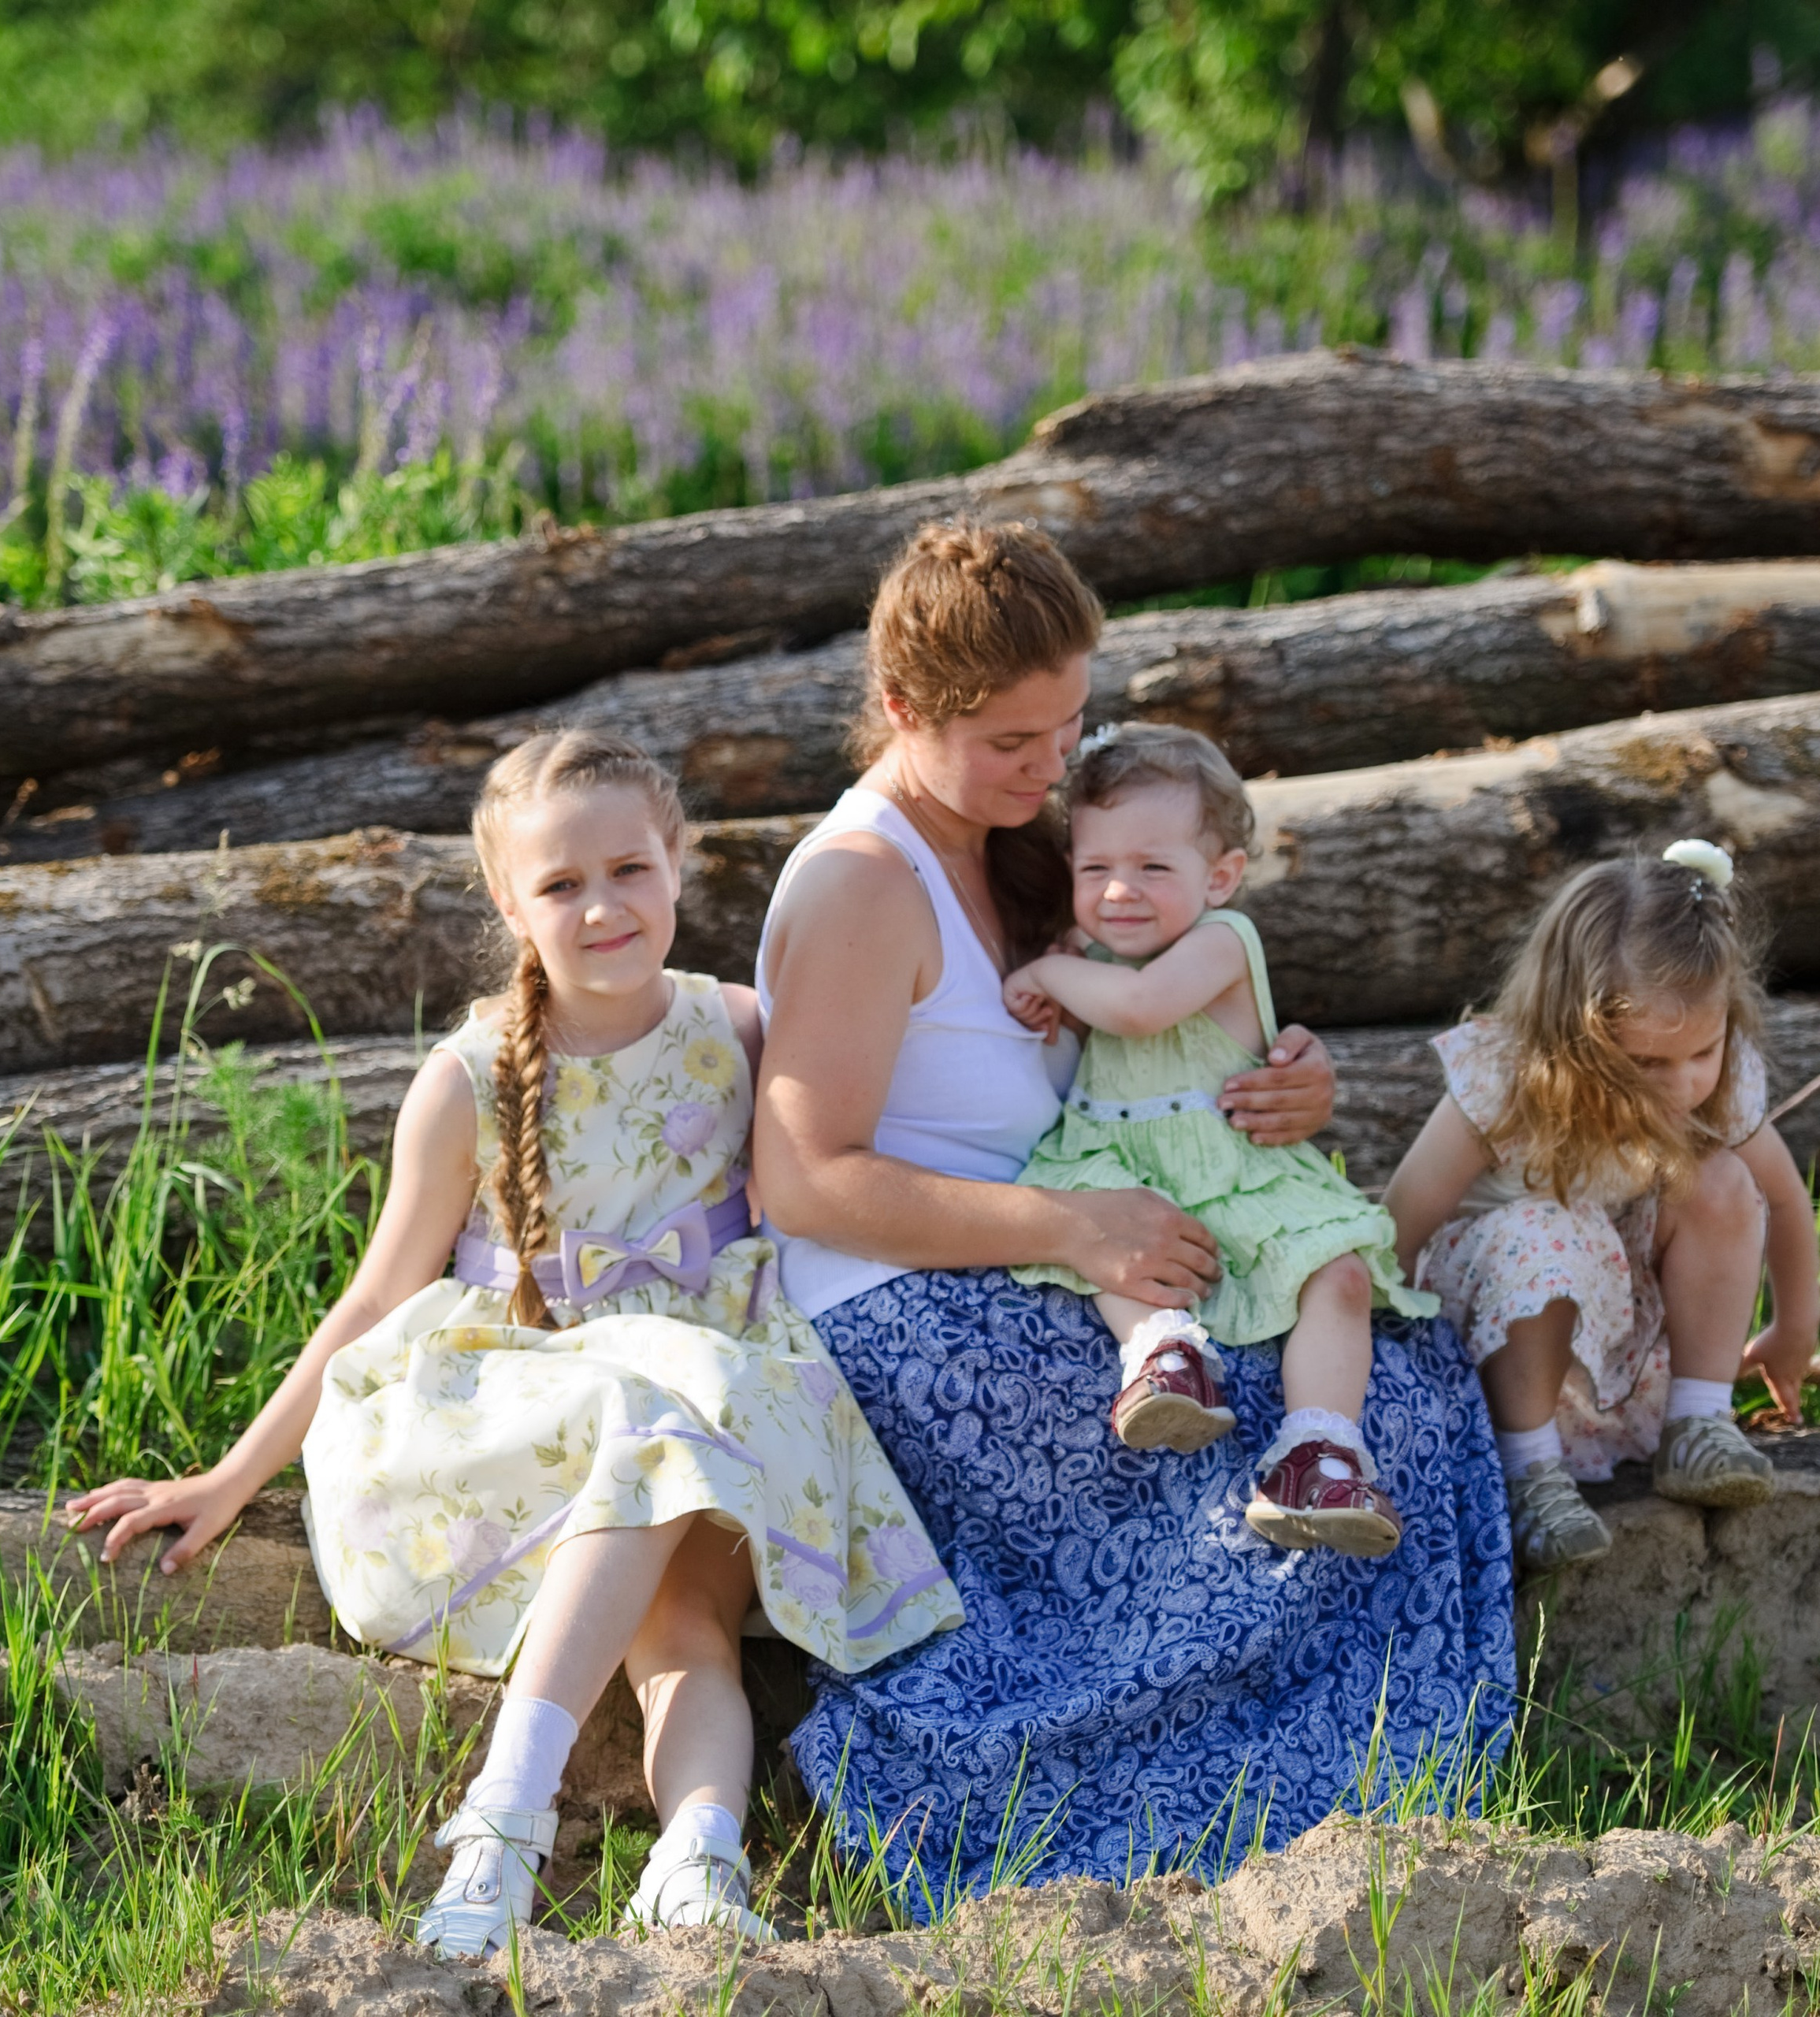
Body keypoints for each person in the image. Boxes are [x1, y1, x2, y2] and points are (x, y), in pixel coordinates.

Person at [66, 730, 960, 1955]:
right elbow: (378, 1294)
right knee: (651, 1408)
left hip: (709, 1399)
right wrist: (231, 1478)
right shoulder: (471, 1076)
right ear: (507, 899)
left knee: (688, 1627)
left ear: (678, 860)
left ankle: (699, 1864)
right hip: (523, 1400)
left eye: (628, 870)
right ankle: (501, 1825)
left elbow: (903, 1118)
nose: (603, 907)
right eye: (560, 884)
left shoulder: (740, 1028)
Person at [753, 518, 1513, 1897]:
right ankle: (1168, 1808)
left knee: (1384, 1375)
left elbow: (1150, 1026)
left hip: (1069, 1246)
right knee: (1312, 1429)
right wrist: (1070, 1228)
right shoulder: (863, 884)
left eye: (1068, 728)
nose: (1052, 771)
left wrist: (1281, 1075)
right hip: (910, 1304)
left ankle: (1327, 1792)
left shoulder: (1015, 838)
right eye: (1012, 743)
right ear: (903, 711)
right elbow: (804, 1180)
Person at [1005, 722, 1438, 1557]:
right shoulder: (1089, 954)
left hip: (1233, 1168)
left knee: (1339, 1276)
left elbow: (1139, 1009)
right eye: (1095, 869)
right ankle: (1163, 1355)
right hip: (1121, 1164)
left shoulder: (1220, 941)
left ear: (1222, 876)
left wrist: (1048, 975)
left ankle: (1318, 1452)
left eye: (1153, 868)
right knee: (1112, 1245)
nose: (1119, 891)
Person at [1384, 840, 1818, 1573]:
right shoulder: (1504, 1080)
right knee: (1545, 1229)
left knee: (1720, 1179)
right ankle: (1529, 1473)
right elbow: (1399, 1225)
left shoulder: (1718, 1082)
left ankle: (1697, 1423)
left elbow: (1780, 1196)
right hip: (1500, 1342)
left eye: (1701, 1053)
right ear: (1574, 1035)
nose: (1683, 1084)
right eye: (1647, 1062)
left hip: (1617, 1346)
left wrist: (1795, 1327)